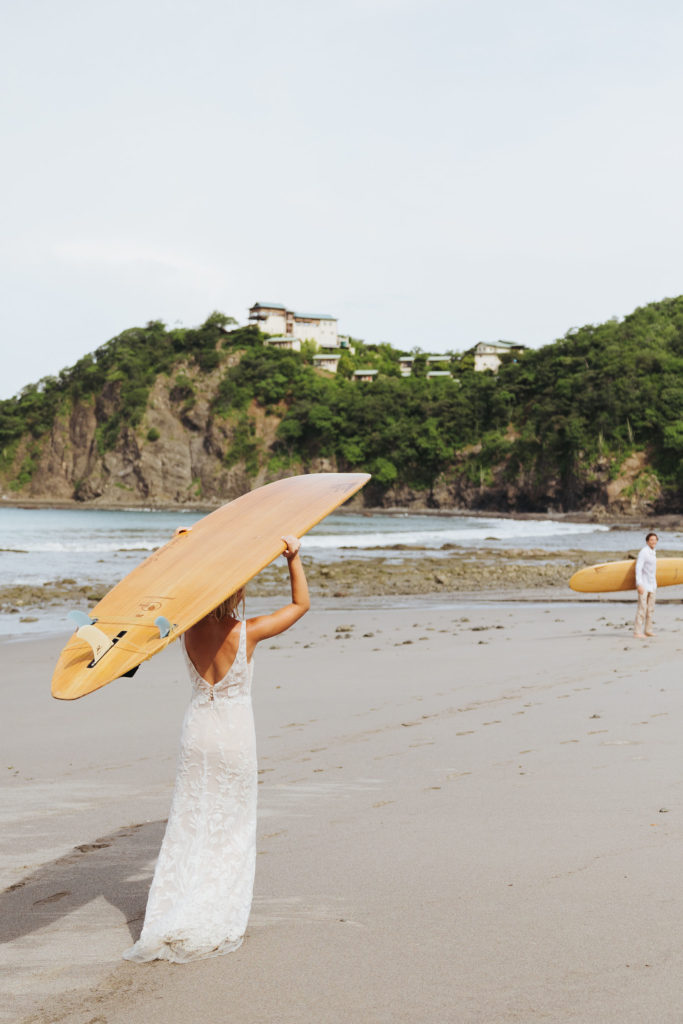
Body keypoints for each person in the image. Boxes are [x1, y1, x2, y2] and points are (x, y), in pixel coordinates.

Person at [122, 533, 310, 963]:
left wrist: (180, 552)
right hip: (233, 735)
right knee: (231, 825)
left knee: (190, 820)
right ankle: (214, 911)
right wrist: (292, 557)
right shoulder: (247, 632)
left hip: (197, 734)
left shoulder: (185, 631)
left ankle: (174, 907)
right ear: (236, 593)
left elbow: (169, 595)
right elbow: (300, 606)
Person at [633, 531, 658, 639]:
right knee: (642, 608)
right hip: (644, 585)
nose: (653, 542)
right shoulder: (644, 552)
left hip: (652, 585)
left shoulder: (653, 552)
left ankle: (648, 630)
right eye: (651, 540)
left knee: (650, 609)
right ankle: (637, 632)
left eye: (655, 540)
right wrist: (639, 584)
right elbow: (638, 568)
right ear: (647, 541)